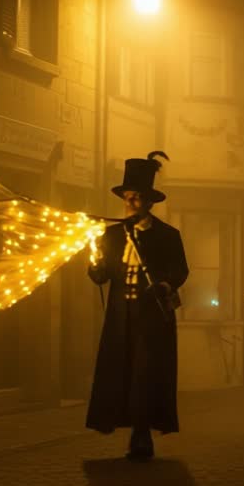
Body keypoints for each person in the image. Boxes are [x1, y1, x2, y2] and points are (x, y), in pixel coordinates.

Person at [87, 151, 189, 461]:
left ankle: (142, 433)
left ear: (148, 202)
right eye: (127, 197)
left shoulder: (167, 236)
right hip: (121, 316)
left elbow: (180, 270)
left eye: (135, 198)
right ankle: (118, 421)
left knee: (145, 373)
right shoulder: (112, 234)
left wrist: (165, 284)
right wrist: (95, 261)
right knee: (122, 369)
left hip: (151, 317)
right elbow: (100, 277)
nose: (129, 203)